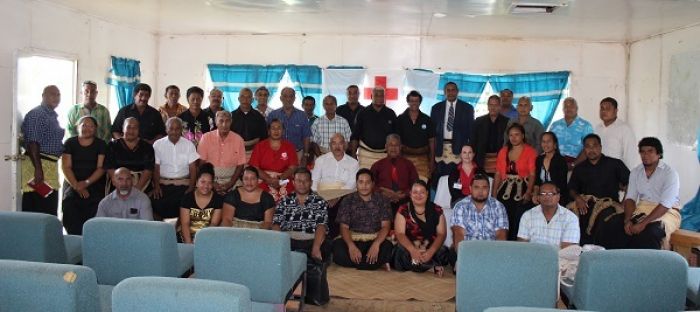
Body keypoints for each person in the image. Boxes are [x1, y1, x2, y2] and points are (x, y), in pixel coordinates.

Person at [595, 137, 681, 250]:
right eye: (642, 152)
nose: (645, 155)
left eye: (650, 151)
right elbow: (630, 199)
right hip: (642, 210)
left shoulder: (670, 173)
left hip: (667, 212)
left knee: (650, 232)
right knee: (613, 224)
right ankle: (616, 263)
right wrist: (627, 220)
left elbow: (665, 204)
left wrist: (643, 223)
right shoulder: (636, 172)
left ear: (659, 154)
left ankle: (646, 266)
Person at [272, 167, 331, 306]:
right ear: (293, 182)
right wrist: (277, 244)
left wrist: (316, 247)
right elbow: (276, 224)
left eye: (305, 181)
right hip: (289, 240)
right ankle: (281, 294)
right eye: (299, 181)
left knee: (321, 252)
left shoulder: (319, 201)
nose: (302, 184)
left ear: (311, 183)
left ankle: (314, 295)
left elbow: (321, 226)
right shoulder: (285, 201)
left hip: (311, 240)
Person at [568, 133, 630, 245]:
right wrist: (578, 198)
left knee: (605, 220)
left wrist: (624, 202)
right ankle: (581, 253)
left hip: (608, 205)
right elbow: (572, 188)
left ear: (600, 147)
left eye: (594, 146)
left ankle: (600, 254)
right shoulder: (580, 168)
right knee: (571, 216)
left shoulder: (614, 164)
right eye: (588, 146)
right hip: (585, 204)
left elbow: (631, 183)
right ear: (584, 149)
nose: (591, 150)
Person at [332, 168, 393, 270]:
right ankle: (371, 263)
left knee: (387, 247)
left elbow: (386, 226)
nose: (364, 186)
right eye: (361, 182)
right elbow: (343, 227)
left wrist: (376, 245)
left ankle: (362, 262)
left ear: (373, 184)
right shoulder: (347, 200)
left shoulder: (382, 200)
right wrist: (351, 246)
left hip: (375, 239)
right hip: (353, 239)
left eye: (367, 182)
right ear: (356, 183)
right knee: (338, 247)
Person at [20, 85, 64, 215]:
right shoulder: (37, 114)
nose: (56, 97)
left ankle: (44, 236)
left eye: (58, 94)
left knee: (48, 210)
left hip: (49, 167)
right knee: (39, 211)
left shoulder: (50, 115)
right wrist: (38, 169)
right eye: (52, 94)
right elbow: (33, 142)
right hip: (39, 167)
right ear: (43, 96)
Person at [61, 116, 106, 234]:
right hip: (72, 184)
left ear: (96, 129)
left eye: (91, 126)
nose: (87, 128)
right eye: (84, 125)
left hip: (94, 184)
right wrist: (76, 185)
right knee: (70, 207)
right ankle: (74, 242)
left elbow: (101, 168)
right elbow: (66, 167)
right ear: (77, 127)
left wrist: (86, 183)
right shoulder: (70, 143)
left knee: (94, 210)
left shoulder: (101, 144)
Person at [393, 180, 450, 277]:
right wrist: (412, 250)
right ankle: (431, 267)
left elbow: (441, 234)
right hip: (409, 247)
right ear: (410, 194)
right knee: (400, 253)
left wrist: (431, 251)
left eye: (422, 192)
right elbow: (400, 234)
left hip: (430, 247)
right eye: (415, 192)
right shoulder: (403, 209)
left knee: (443, 252)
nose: (418, 195)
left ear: (427, 194)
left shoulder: (437, 210)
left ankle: (421, 264)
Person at [450, 174, 508, 267]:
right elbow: (459, 234)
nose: (480, 191)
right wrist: (462, 257)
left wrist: (497, 257)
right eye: (476, 187)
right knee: (453, 255)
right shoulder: (461, 206)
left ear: (489, 189)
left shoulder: (498, 207)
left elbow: (501, 235)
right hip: (468, 250)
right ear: (470, 188)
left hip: (491, 251)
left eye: (484, 188)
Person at [492, 123, 537, 241]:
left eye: (517, 134)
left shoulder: (530, 151)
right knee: (503, 217)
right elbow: (497, 173)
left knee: (519, 218)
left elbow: (532, 174)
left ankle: (517, 246)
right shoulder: (503, 151)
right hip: (505, 188)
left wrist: (528, 192)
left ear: (522, 135)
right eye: (511, 135)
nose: (514, 138)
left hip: (522, 188)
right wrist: (494, 193)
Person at [151, 117, 200, 220]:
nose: (174, 131)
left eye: (177, 128)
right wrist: (156, 186)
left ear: (181, 129)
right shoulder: (158, 144)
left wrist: (191, 188)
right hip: (163, 185)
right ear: (166, 129)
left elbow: (193, 169)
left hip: (184, 185)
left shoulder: (189, 145)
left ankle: (180, 231)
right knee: (155, 204)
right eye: (171, 128)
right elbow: (156, 168)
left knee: (187, 205)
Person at [430, 82, 474, 181]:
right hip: (441, 148)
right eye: (448, 90)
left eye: (453, 90)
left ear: (457, 91)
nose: (450, 93)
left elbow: (470, 131)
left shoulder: (467, 108)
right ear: (444, 92)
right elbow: (432, 132)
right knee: (440, 179)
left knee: (456, 179)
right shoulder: (436, 108)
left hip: (459, 149)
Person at [517, 182, 580, 248]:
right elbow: (522, 247)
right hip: (532, 257)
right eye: (543, 194)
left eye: (551, 193)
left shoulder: (570, 218)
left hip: (559, 258)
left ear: (558, 196)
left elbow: (568, 251)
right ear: (538, 197)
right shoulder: (528, 216)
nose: (547, 197)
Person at [197, 111, 246, 195]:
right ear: (216, 122)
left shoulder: (238, 140)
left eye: (227, 121)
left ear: (231, 122)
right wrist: (213, 183)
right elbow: (201, 164)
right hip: (210, 180)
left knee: (240, 199)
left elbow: (240, 166)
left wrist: (230, 184)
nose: (224, 124)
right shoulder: (206, 138)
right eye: (221, 121)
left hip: (232, 180)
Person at [249, 119, 298, 202]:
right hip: (264, 179)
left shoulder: (289, 146)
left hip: (284, 179)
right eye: (273, 128)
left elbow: (293, 167)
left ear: (283, 131)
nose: (276, 131)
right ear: (268, 131)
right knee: (262, 198)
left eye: (279, 128)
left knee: (290, 197)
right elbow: (255, 167)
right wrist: (269, 179)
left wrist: (280, 179)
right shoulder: (260, 146)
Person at [370, 134, 418, 214]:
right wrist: (382, 192)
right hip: (382, 201)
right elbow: (371, 185)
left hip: (405, 200)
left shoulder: (409, 164)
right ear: (386, 147)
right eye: (390, 145)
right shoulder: (377, 165)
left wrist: (404, 194)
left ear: (400, 147)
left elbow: (416, 184)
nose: (393, 148)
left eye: (396, 145)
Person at [350, 87, 397, 168]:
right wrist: (353, 155)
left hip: (385, 155)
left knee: (384, 180)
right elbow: (355, 136)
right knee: (365, 179)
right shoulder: (362, 113)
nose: (379, 97)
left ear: (384, 97)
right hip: (365, 155)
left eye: (381, 95)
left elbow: (396, 137)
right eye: (376, 95)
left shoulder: (391, 114)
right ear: (372, 96)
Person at [105, 117, 155, 193]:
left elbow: (148, 169)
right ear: (123, 128)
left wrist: (138, 188)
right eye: (128, 127)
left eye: (135, 128)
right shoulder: (113, 145)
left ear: (139, 130)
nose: (131, 131)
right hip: (118, 182)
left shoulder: (147, 146)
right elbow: (109, 167)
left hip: (141, 183)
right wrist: (119, 184)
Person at [178, 163, 223, 244]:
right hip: (187, 237)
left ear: (213, 184)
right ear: (196, 182)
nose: (206, 186)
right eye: (203, 182)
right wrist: (189, 243)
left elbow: (213, 224)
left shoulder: (218, 199)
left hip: (208, 237)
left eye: (209, 183)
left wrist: (202, 243)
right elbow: (185, 223)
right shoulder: (187, 198)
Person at [396, 90, 435, 181]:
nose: (414, 103)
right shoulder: (400, 119)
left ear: (420, 102)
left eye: (416, 101)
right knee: (405, 185)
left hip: (422, 159)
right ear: (408, 102)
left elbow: (432, 142)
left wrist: (432, 161)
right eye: (412, 101)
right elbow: (397, 142)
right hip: (405, 158)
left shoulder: (427, 120)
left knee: (422, 184)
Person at [267, 87, 312, 166]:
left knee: (297, 177)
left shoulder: (302, 115)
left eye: (291, 96)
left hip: (297, 154)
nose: (288, 99)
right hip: (277, 153)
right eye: (285, 96)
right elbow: (268, 136)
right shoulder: (273, 115)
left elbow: (306, 137)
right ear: (281, 98)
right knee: (279, 176)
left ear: (294, 98)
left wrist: (305, 155)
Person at [549, 97, 594, 168]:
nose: (569, 109)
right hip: (556, 164)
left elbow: (588, 148)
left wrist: (574, 164)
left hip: (578, 164)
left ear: (577, 108)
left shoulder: (586, 126)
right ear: (563, 109)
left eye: (571, 106)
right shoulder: (555, 125)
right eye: (566, 106)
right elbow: (549, 145)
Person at [595, 97, 638, 169]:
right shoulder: (598, 128)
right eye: (602, 108)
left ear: (616, 111)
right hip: (598, 171)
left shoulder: (624, 129)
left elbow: (630, 156)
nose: (604, 111)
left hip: (616, 173)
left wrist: (626, 177)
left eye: (608, 108)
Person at [472, 94, 508, 175]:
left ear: (500, 106)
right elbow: (473, 141)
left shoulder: (507, 122)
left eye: (495, 105)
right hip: (481, 159)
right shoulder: (479, 121)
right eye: (491, 105)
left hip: (500, 158)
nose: (493, 107)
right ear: (488, 106)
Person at [533, 132, 570, 206]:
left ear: (555, 144)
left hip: (557, 196)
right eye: (543, 141)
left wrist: (546, 195)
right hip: (542, 194)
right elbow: (537, 181)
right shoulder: (539, 159)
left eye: (548, 141)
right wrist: (535, 194)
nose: (546, 144)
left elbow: (561, 185)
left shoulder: (561, 160)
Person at [231, 88, 268, 161]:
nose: (245, 100)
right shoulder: (231, 116)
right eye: (243, 97)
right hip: (234, 152)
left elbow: (264, 138)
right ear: (239, 99)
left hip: (254, 152)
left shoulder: (259, 117)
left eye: (248, 97)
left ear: (252, 100)